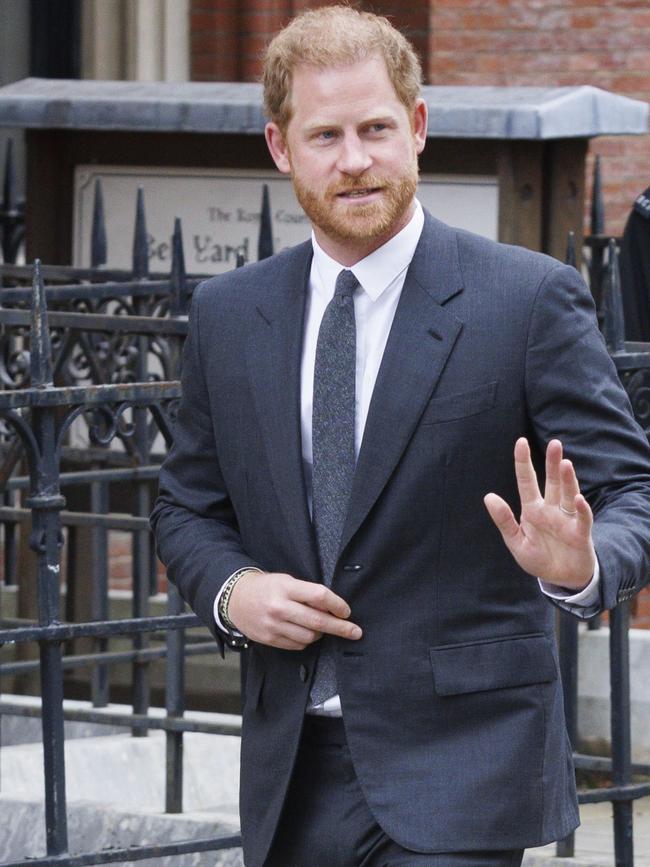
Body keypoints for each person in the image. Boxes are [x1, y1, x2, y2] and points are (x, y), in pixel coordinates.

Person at [150, 7, 650, 866]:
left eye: (377, 128)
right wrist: (235, 592)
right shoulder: (229, 315)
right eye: (326, 135)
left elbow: (632, 491)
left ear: (417, 127)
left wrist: (585, 565)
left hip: (465, 763)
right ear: (280, 148)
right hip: (291, 769)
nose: (355, 161)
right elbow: (184, 508)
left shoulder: (527, 300)